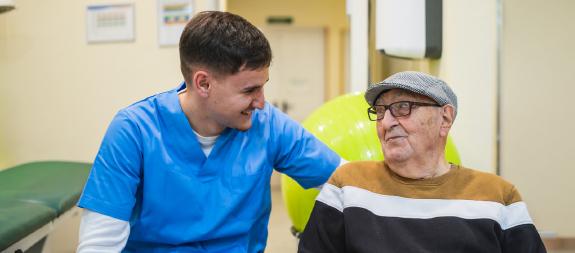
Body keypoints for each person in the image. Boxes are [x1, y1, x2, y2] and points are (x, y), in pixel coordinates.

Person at [77, 11, 340, 252]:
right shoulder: (134, 130)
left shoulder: (267, 124)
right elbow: (100, 243)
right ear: (203, 83)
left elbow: (345, 178)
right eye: (249, 90)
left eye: (262, 87)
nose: (261, 102)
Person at [298, 71, 546, 252]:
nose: (385, 123)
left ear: (445, 118)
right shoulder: (348, 185)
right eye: (381, 111)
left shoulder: (497, 196)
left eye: (403, 107)